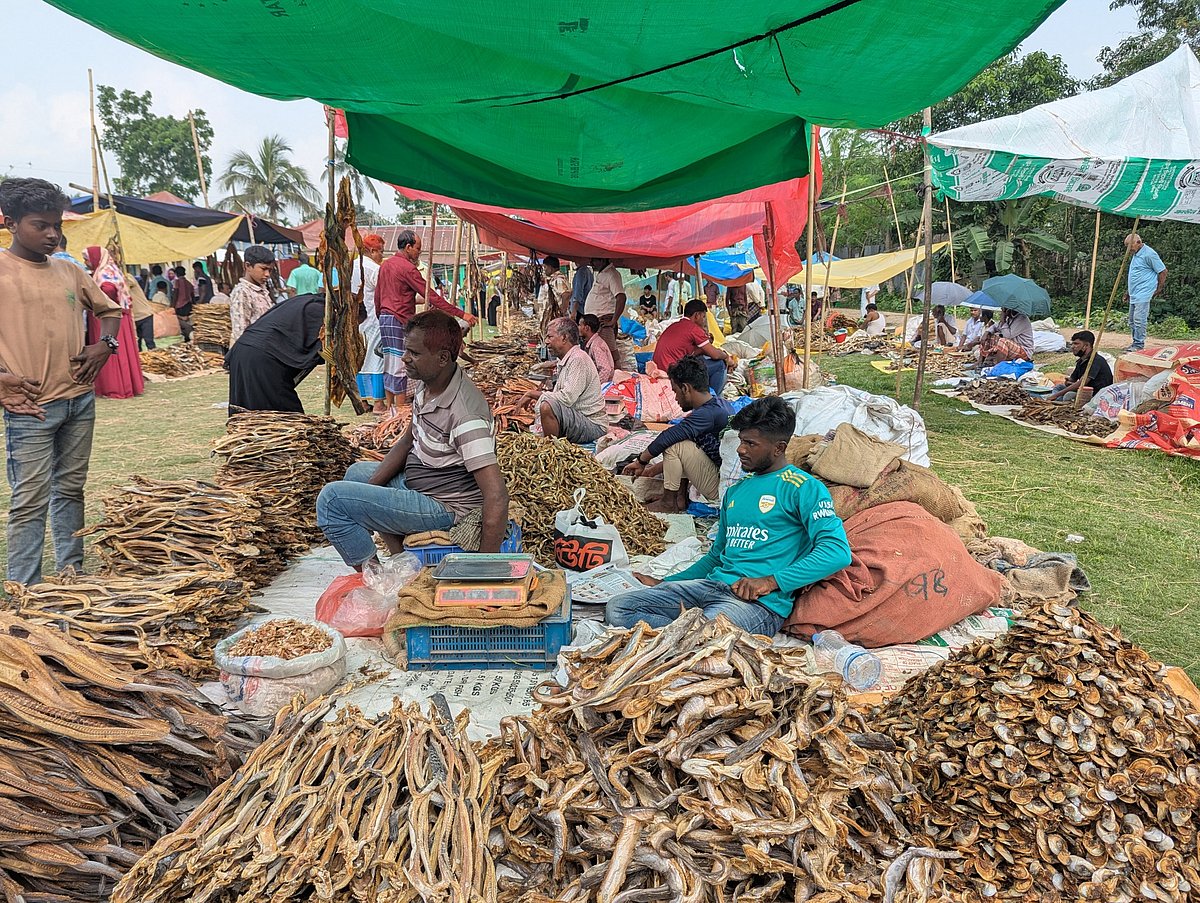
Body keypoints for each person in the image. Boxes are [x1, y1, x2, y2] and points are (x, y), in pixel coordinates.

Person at [606, 396, 852, 636]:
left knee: (706, 632)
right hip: (710, 587)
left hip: (756, 605)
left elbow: (836, 552)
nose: (741, 449)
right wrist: (666, 582)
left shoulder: (803, 487)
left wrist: (770, 581)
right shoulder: (737, 490)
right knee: (618, 608)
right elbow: (716, 556)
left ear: (779, 448)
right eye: (742, 440)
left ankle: (683, 640)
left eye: (751, 444)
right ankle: (681, 640)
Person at [317, 310, 510, 567]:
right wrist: (373, 489)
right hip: (421, 481)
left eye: (414, 353)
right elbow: (409, 440)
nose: (404, 358)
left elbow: (497, 495)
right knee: (357, 475)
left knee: (332, 501)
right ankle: (402, 563)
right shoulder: (428, 382)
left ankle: (378, 579)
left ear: (443, 358)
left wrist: (486, 568)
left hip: (444, 505)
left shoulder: (465, 415)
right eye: (406, 350)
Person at [0, 178, 122, 584]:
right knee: (29, 501)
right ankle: (24, 591)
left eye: (58, 225)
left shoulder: (69, 271)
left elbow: (111, 311)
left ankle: (73, 574)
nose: (53, 234)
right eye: (40, 225)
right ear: (11, 222)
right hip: (30, 408)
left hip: (78, 401)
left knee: (70, 489)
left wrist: (104, 345)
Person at [376, 229, 477, 413]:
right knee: (401, 363)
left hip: (385, 318)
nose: (418, 253)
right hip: (399, 318)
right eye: (418, 249)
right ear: (408, 247)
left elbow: (379, 295)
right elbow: (431, 295)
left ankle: (390, 408)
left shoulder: (386, 265)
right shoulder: (407, 268)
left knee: (389, 362)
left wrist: (381, 316)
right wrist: (462, 315)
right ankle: (400, 411)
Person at [622, 356, 729, 511]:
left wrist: (641, 461)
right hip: (717, 476)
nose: (676, 398)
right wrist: (651, 471)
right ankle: (679, 498)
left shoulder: (708, 414)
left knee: (674, 444)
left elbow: (670, 436)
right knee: (684, 443)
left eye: (675, 391)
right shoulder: (716, 405)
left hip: (720, 487)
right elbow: (689, 453)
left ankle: (668, 502)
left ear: (685, 388)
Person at [227, 292, 328, 412]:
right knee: (285, 419)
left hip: (244, 351)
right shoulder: (319, 310)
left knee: (251, 414)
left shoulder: (304, 300)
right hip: (261, 357)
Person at [522, 317, 607, 444]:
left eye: (550, 337)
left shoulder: (578, 359)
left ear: (564, 338)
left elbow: (567, 397)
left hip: (592, 425)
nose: (546, 342)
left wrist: (532, 394)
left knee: (547, 406)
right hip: (580, 419)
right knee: (547, 404)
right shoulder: (567, 359)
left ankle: (551, 449)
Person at [81, 246, 145, 400]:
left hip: (108, 320)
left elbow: (109, 291)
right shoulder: (111, 270)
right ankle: (126, 384)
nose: (86, 263)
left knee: (110, 351)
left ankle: (114, 387)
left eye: (87, 259)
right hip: (119, 318)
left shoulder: (104, 274)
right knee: (119, 349)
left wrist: (98, 303)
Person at [653, 299, 734, 394]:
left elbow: (690, 352)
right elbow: (715, 355)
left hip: (661, 367)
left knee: (701, 359)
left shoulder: (675, 325)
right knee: (720, 364)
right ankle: (712, 399)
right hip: (674, 372)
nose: (704, 321)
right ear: (697, 315)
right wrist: (726, 356)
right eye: (703, 317)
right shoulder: (693, 329)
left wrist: (705, 346)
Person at [352, 233, 388, 415]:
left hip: (357, 319)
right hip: (374, 318)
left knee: (360, 358)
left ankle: (363, 400)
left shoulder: (351, 265)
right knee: (376, 359)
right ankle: (379, 403)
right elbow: (385, 292)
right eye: (380, 252)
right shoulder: (374, 269)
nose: (382, 255)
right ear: (372, 251)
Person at [1125, 233, 1166, 352]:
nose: (1129, 250)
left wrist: (1159, 288)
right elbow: (1135, 274)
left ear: (1138, 242)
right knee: (1132, 320)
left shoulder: (1149, 254)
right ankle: (1135, 343)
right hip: (1134, 292)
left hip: (1144, 291)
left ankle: (1139, 345)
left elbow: (1163, 271)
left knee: (1139, 319)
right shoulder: (1136, 254)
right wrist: (1128, 291)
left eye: (1130, 246)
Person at [229, 245, 276, 346]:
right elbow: (240, 332)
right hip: (253, 350)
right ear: (248, 266)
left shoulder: (263, 290)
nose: (267, 274)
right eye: (263, 269)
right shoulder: (242, 292)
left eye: (270, 270)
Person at [1049, 331, 1113, 402]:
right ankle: (1056, 400)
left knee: (1068, 395)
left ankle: (1056, 400)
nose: (1072, 347)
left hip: (1096, 394)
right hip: (1083, 390)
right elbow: (1072, 380)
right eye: (1072, 344)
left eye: (1076, 344)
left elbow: (1082, 383)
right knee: (1059, 387)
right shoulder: (1081, 361)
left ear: (1086, 345)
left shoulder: (1096, 361)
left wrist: (1056, 395)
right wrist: (1068, 382)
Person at [583, 258, 627, 361]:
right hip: (597, 322)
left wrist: (613, 321)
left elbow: (621, 297)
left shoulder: (611, 274)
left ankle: (615, 376)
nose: (591, 263)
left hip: (604, 321)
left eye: (594, 260)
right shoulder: (602, 273)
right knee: (598, 356)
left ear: (602, 260)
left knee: (609, 356)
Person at [579, 313, 615, 383]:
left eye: (580, 325)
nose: (578, 327)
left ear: (586, 328)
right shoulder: (593, 343)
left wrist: (595, 386)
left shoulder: (596, 346)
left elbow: (605, 370)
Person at [126, 271, 156, 350]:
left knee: (149, 342)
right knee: (137, 345)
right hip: (134, 318)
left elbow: (128, 283)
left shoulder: (127, 277)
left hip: (145, 315)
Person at [539, 256, 571, 328]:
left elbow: (566, 294)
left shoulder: (558, 279)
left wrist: (562, 311)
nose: (544, 270)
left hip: (557, 316)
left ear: (550, 267)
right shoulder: (553, 278)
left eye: (545, 267)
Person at [170, 265, 195, 342]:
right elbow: (192, 295)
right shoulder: (189, 283)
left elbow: (175, 294)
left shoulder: (177, 282)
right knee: (188, 322)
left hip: (179, 305)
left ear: (176, 273)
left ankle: (184, 338)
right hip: (188, 304)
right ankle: (190, 337)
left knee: (181, 323)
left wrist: (172, 306)